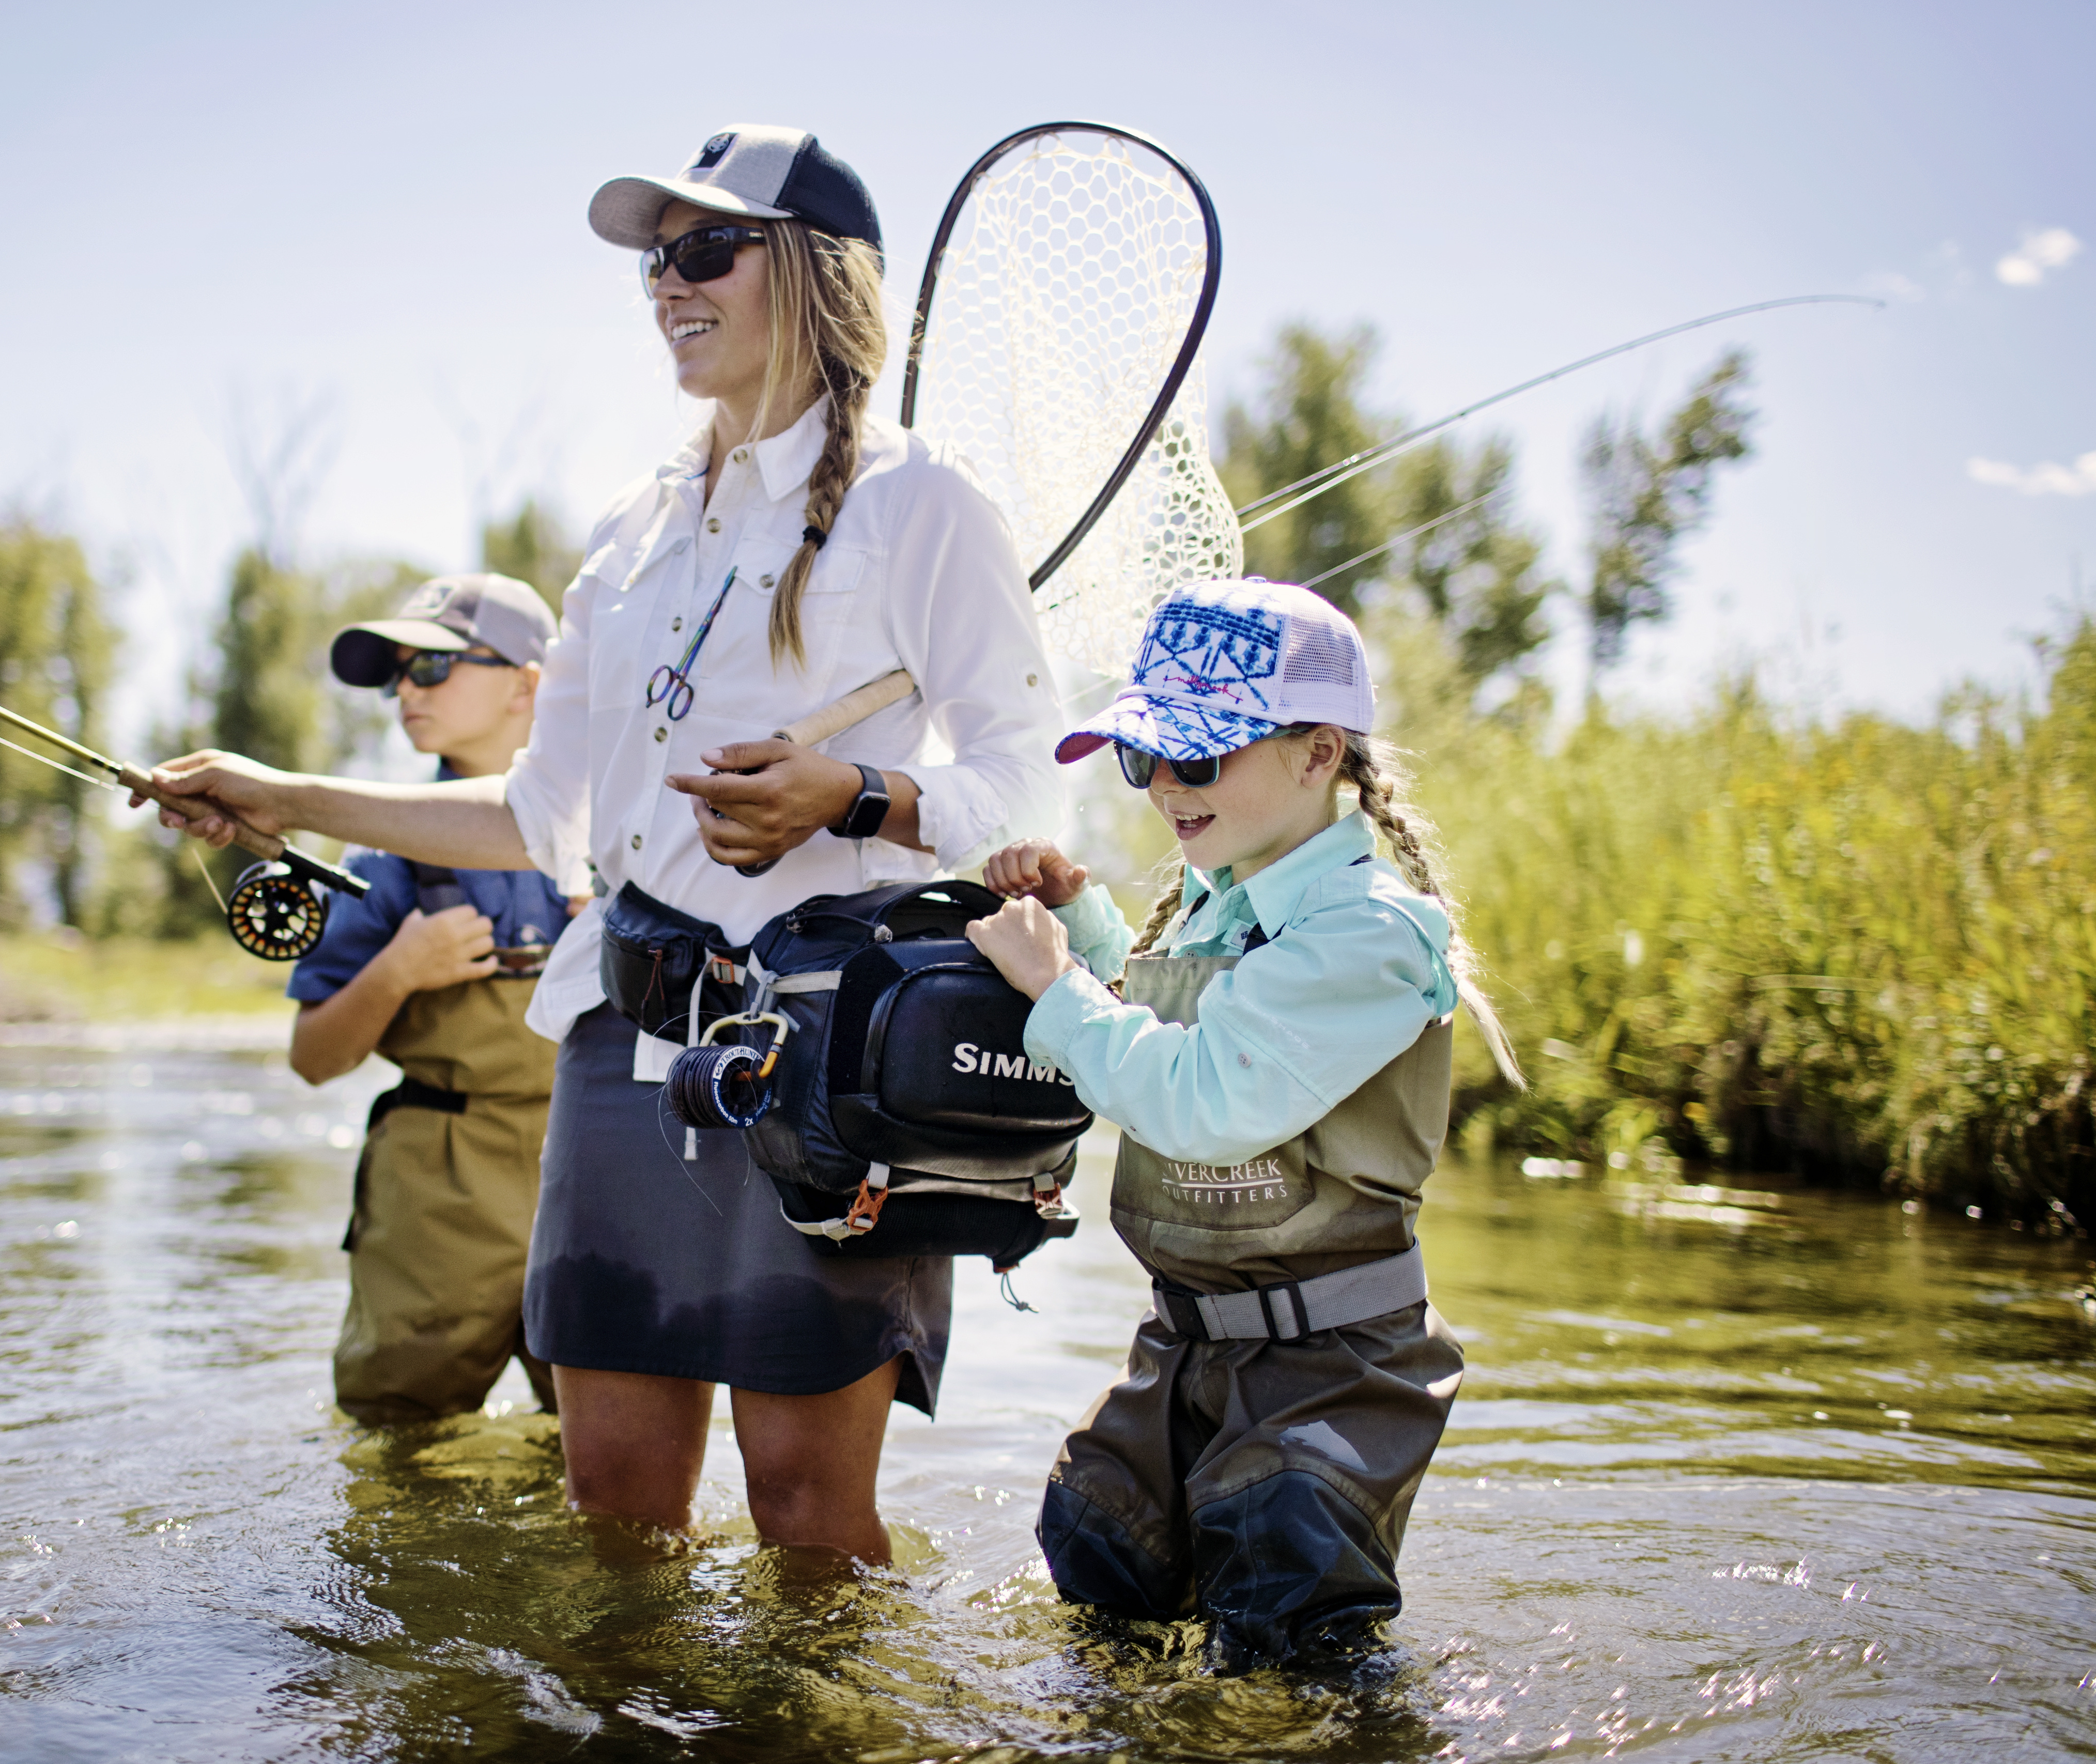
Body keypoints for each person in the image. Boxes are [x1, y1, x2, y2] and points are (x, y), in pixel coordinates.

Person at [142, 124, 1064, 1566]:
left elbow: (1029, 789)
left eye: (708, 250)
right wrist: (286, 798)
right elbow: (532, 815)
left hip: (817, 1064)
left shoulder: (923, 503)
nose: (667, 284)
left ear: (814, 275)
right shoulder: (628, 536)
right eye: (656, 259)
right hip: (615, 1051)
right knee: (611, 1518)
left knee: (807, 1522)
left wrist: (855, 796)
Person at [962, 579, 1523, 1668]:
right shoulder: (1216, 902)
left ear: (1320, 754)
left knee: (1286, 1583)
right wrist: (1078, 925)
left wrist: (1051, 990)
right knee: (1100, 1544)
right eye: (1143, 759)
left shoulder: (1373, 934)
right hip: (1187, 1342)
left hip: (1336, 1360)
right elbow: (1164, 1028)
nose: (1166, 787)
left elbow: (1203, 1098)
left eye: (1200, 757)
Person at [285, 572, 573, 1426]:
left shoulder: (627, 838)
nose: (406, 691)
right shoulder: (375, 857)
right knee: (396, 1452)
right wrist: (398, 970)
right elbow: (312, 1060)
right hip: (436, 1198)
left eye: (435, 668)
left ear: (530, 684)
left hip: (595, 1179)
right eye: (397, 674)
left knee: (617, 1468)